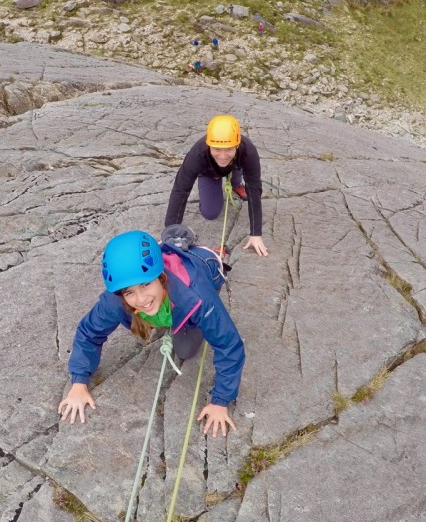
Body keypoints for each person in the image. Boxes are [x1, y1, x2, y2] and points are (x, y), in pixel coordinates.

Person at [58, 230, 245, 437]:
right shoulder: (115, 300)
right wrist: (79, 381)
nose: (140, 299)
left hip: (204, 265)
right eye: (129, 292)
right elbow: (88, 332)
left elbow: (228, 344)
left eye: (145, 284)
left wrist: (220, 402)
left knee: (184, 350)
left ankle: (217, 253)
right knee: (171, 331)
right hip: (172, 293)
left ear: (161, 277)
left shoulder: (197, 295)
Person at [165, 115, 268, 256]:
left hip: (236, 165)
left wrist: (256, 234)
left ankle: (235, 183)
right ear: (209, 145)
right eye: (217, 149)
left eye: (229, 149)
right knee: (210, 213)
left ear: (237, 145)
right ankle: (220, 180)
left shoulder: (248, 151)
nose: (223, 155)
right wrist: (170, 234)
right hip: (209, 173)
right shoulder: (198, 154)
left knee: (235, 173)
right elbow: (180, 190)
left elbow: (254, 189)